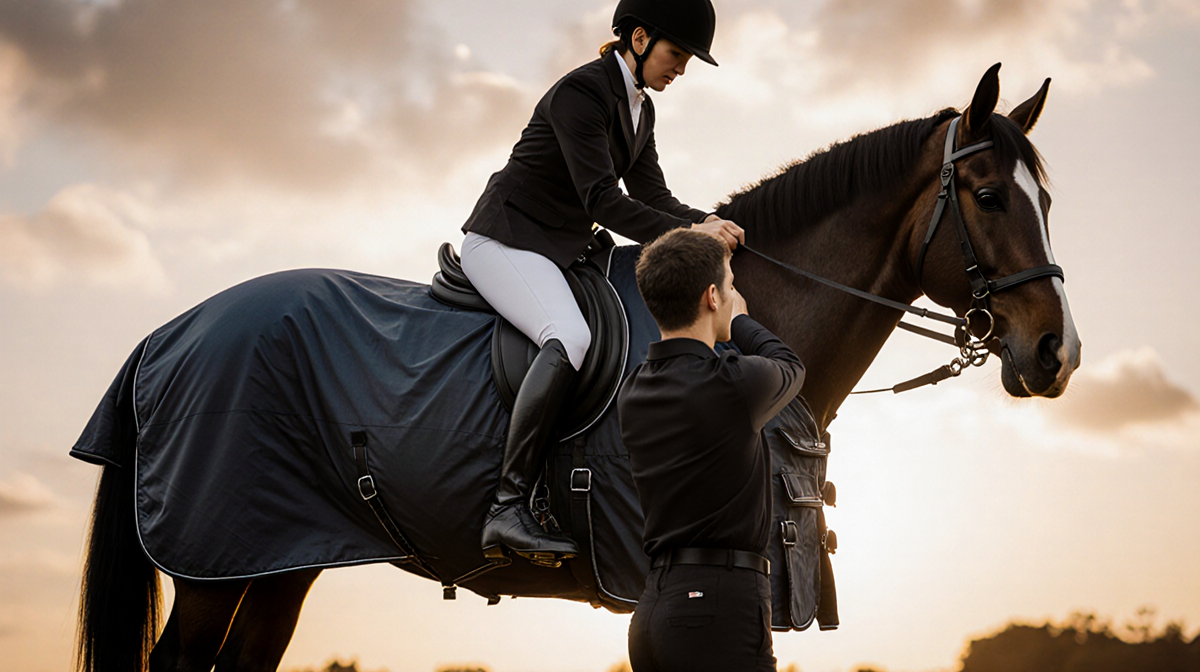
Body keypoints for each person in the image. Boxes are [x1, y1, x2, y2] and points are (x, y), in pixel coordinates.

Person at [460, 0, 745, 564]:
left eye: (687, 59)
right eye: (676, 54)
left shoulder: (642, 109)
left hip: (560, 250)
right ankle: (506, 505)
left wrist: (707, 223)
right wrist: (693, 233)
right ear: (638, 39)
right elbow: (603, 201)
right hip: (507, 240)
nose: (681, 69)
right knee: (570, 337)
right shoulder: (581, 94)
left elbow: (653, 198)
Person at [617, 229, 805, 672]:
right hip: (718, 608)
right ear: (712, 297)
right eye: (731, 283)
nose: (734, 291)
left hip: (654, 610)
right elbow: (792, 368)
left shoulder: (633, 389)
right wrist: (740, 322)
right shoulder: (732, 384)